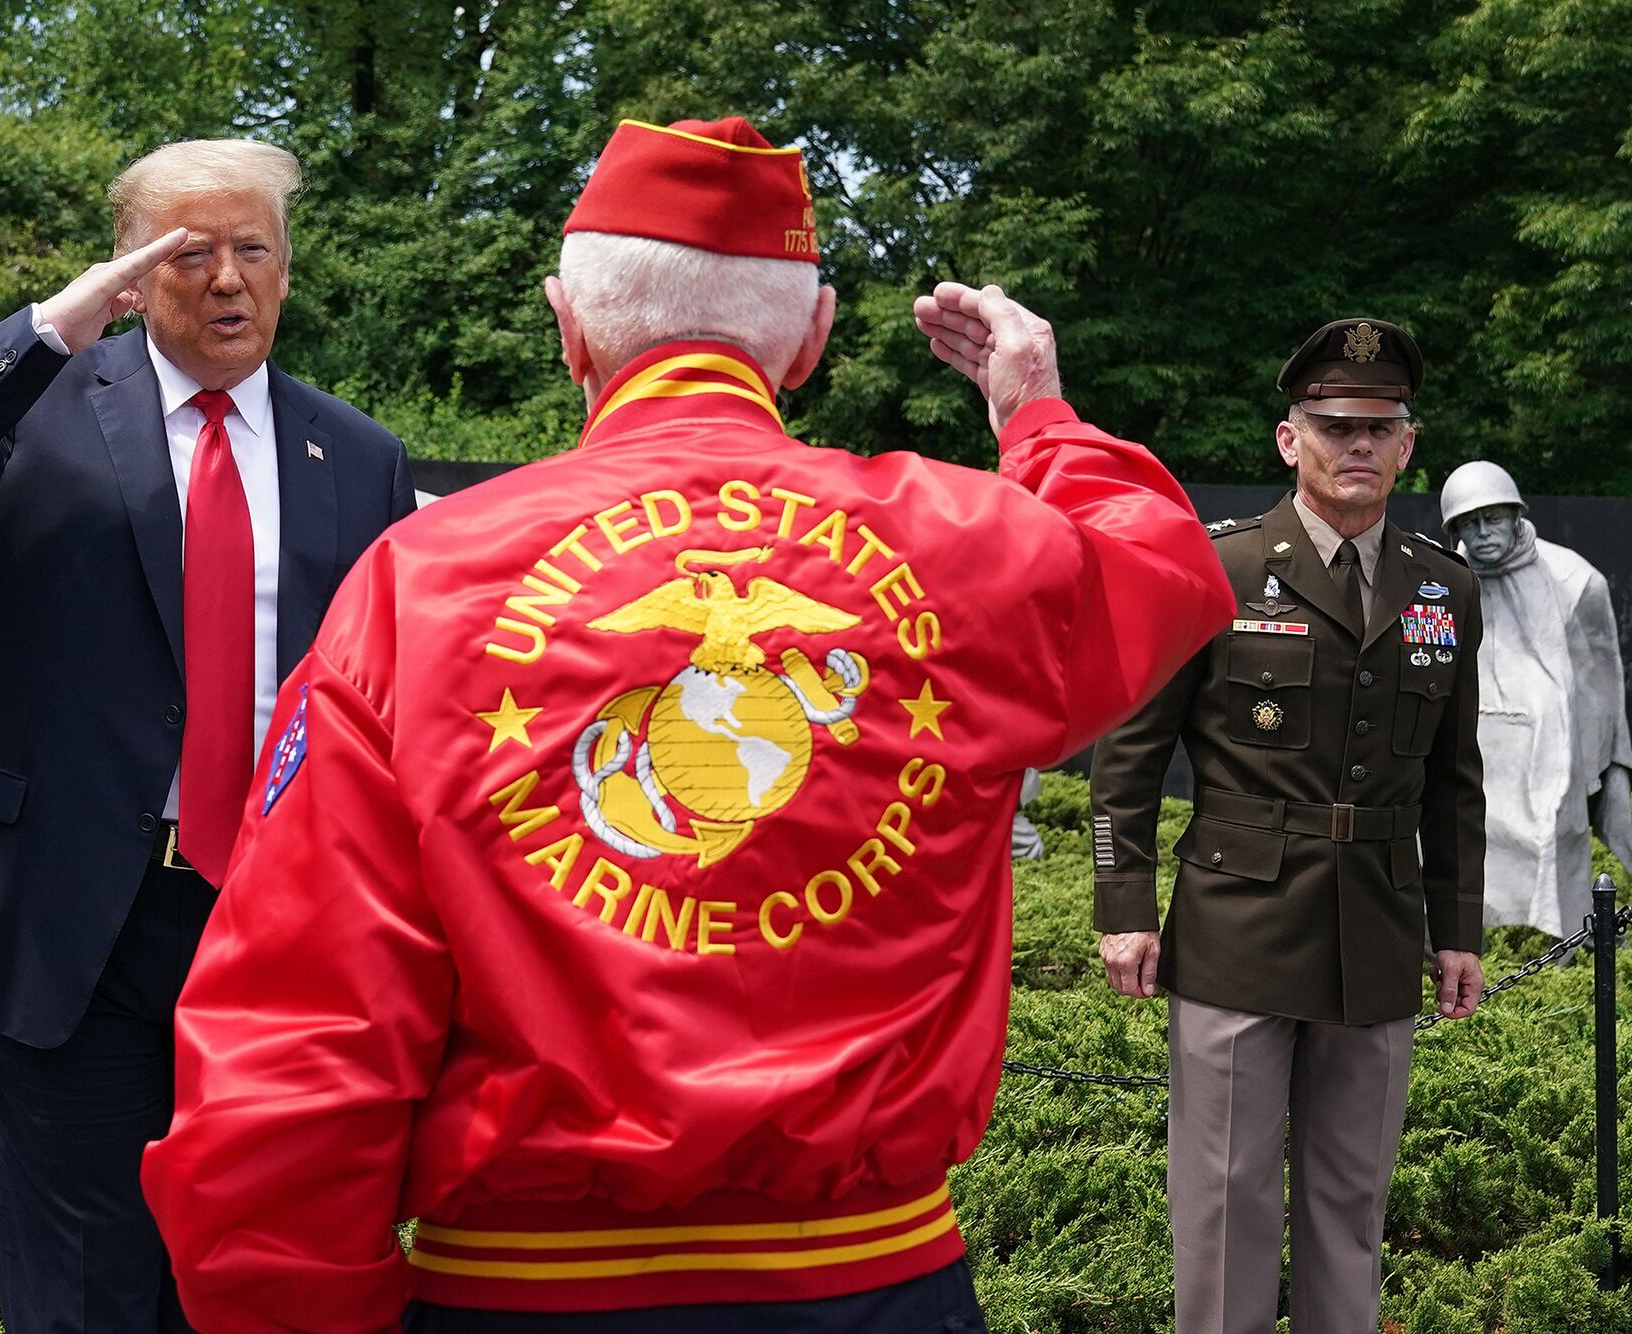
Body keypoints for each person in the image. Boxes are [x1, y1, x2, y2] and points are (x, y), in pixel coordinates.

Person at [138, 115, 1233, 1333]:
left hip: (525, 1290)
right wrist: (1034, 414)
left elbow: (305, 1024)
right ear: (811, 340)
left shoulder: (421, 580)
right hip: (872, 1282)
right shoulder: (964, 549)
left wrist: (301, 1308)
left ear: (567, 329)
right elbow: (1160, 568)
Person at [0, 138, 416, 1332]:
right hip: (58, 921)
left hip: (268, 928)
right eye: (189, 252)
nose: (227, 278)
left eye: (253, 249)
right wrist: (49, 327)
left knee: (251, 1275)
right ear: (132, 277)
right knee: (86, 1290)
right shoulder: (29, 415)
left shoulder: (354, 456)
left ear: (287, 274)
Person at [1089, 318, 1487, 1334]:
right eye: (1332, 424)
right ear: (1287, 438)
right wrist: (1122, 903)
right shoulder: (1212, 570)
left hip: (1379, 926)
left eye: (1377, 427)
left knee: (1349, 1202)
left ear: (1408, 445)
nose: (1354, 445)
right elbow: (1129, 751)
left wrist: (1458, 927)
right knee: (1223, 1198)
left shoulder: (1442, 587)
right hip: (1237, 922)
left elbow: (1453, 776)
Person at [1441, 460, 1632, 934]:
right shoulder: (1442, 582)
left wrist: (1595, 770)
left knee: (1550, 853)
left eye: (1494, 518)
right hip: (1474, 749)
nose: (1483, 533)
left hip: (1547, 756)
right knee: (1464, 852)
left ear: (1515, 515)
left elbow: (1600, 691)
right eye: (1469, 522)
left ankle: (1555, 950)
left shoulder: (1574, 581)